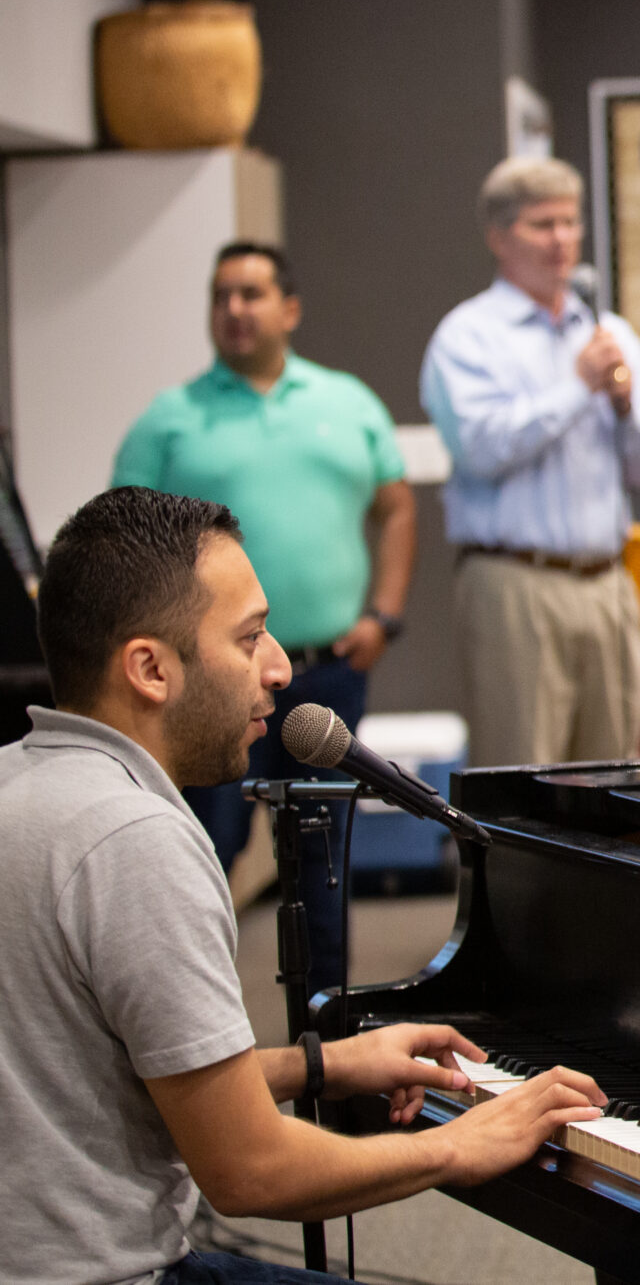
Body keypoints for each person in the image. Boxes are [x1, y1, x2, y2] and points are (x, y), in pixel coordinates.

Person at [0, 486, 606, 1285]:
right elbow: (249, 1170)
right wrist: (460, 1143)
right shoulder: (134, 840)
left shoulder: (23, 780)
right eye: (249, 636)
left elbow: (135, 1069)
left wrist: (325, 1065)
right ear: (150, 668)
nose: (281, 667)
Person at [111, 241, 414, 996]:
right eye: (222, 296)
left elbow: (398, 504)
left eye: (251, 294)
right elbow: (121, 536)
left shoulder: (346, 402)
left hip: (325, 674)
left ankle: (331, 1041)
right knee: (201, 853)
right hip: (210, 682)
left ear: (290, 308)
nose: (235, 310)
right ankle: (195, 1032)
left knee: (322, 863)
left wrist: (384, 616)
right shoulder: (171, 418)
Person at [422, 158, 640, 767]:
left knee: (615, 777)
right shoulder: (469, 337)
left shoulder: (609, 332)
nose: (561, 240)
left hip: (608, 583)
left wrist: (625, 404)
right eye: (542, 225)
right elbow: (480, 450)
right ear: (499, 238)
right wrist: (577, 388)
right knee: (523, 777)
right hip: (517, 587)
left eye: (569, 223)